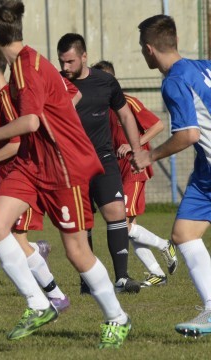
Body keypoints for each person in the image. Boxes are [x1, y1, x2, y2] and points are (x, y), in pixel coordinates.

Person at [0, 0, 131, 349]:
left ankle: (117, 317)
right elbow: (73, 93)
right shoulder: (32, 63)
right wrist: (58, 113)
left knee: (77, 251)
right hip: (32, 163)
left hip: (62, 167)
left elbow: (31, 121)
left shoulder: (26, 68)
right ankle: (39, 303)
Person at [0, 42, 69, 312]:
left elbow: (18, 144)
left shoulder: (9, 98)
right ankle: (34, 249)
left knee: (14, 241)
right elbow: (0, 142)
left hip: (19, 178)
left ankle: (55, 296)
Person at [134, 14, 211, 338]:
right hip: (205, 171)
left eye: (141, 48)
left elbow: (189, 134)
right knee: (183, 235)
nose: (142, 53)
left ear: (150, 49)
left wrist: (148, 155)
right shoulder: (202, 66)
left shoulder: (174, 81)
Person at [57, 33, 144, 294]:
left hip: (104, 159)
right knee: (83, 223)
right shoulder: (58, 84)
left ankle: (122, 277)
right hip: (71, 163)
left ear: (84, 57)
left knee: (116, 212)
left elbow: (126, 115)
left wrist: (137, 151)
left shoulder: (106, 82)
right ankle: (89, 280)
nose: (65, 68)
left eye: (70, 61)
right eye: (61, 62)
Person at [92, 60, 178, 287]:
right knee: (126, 228)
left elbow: (157, 125)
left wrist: (134, 144)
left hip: (134, 168)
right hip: (116, 170)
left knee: (124, 225)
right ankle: (156, 272)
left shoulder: (127, 102)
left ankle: (164, 245)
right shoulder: (101, 107)